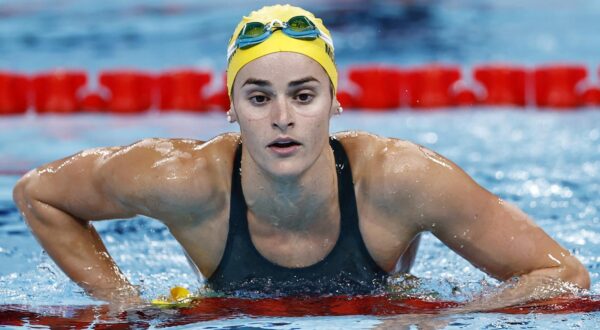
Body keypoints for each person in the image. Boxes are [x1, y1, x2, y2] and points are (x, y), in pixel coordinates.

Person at [13, 5, 589, 307]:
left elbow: (561, 276)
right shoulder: (181, 178)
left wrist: (444, 317)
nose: (282, 117)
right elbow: (37, 193)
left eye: (304, 95)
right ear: (232, 108)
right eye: (258, 97)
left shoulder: (400, 179)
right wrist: (125, 306)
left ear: (335, 104)